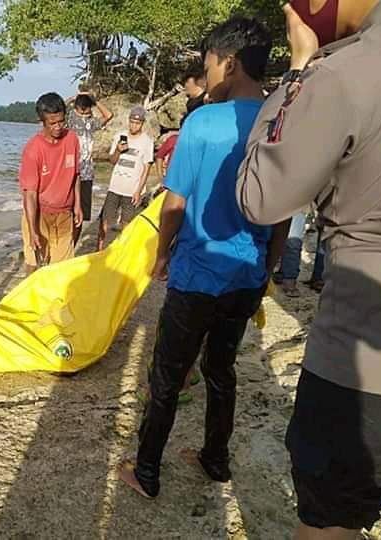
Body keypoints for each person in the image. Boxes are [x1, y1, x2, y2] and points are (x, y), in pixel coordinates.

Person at [236, 1, 381, 538]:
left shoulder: (347, 72)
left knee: (332, 522)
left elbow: (261, 197)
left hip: (366, 364)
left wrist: (299, 71)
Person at [118, 16, 287, 499]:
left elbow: (175, 204)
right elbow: (281, 214)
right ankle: (215, 458)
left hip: (198, 273)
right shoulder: (279, 122)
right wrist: (269, 265)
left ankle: (147, 471)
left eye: (208, 64)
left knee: (167, 376)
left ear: (229, 64)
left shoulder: (203, 121)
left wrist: (159, 256)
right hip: (247, 274)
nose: (207, 73)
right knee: (221, 369)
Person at [20, 92, 83, 275]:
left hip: (64, 214)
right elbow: (30, 194)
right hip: (38, 214)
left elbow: (76, 175)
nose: (58, 127)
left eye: (61, 121)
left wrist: (78, 205)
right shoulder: (33, 149)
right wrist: (33, 230)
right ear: (42, 122)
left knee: (61, 271)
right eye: (52, 123)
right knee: (33, 266)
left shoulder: (72, 139)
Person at [98, 106, 154, 250]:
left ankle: (122, 251)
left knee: (126, 223)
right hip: (114, 187)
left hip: (132, 190)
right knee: (105, 221)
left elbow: (146, 169)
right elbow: (112, 161)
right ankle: (99, 250)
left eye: (137, 122)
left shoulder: (147, 141)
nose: (133, 125)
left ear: (142, 123)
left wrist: (139, 191)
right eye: (132, 121)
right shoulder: (119, 136)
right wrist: (118, 150)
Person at [66, 91, 114, 245]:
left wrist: (94, 99)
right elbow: (56, 107)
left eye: (87, 111)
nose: (84, 114)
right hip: (69, 172)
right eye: (81, 110)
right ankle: (64, 244)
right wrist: (74, 97)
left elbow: (108, 115)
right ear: (76, 108)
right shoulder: (71, 119)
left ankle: (72, 245)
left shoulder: (91, 122)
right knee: (66, 211)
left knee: (82, 214)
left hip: (86, 174)